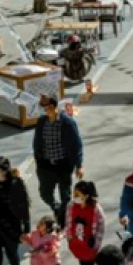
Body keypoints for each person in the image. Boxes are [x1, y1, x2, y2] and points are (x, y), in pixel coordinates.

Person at [33, 94, 85, 227]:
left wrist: (79, 165)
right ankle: (56, 208)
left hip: (63, 165)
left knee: (65, 197)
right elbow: (37, 142)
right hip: (46, 166)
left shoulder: (67, 123)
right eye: (43, 108)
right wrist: (38, 160)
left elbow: (77, 145)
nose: (45, 110)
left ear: (53, 106)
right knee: (45, 193)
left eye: (47, 107)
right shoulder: (42, 122)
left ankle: (63, 221)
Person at [68, 180, 106, 265]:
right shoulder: (71, 206)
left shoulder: (96, 209)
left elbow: (101, 228)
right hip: (77, 244)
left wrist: (96, 245)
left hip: (90, 246)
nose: (74, 197)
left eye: (77, 194)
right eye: (74, 194)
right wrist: (69, 239)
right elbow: (68, 222)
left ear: (86, 195)